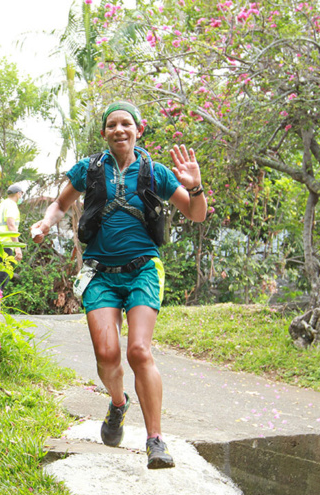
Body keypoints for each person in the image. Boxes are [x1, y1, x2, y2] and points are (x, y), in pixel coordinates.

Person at [31, 101, 208, 469]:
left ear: (138, 130)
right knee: (107, 355)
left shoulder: (155, 173)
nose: (119, 130)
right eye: (112, 125)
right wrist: (45, 225)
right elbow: (60, 205)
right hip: (98, 273)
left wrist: (195, 188)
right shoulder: (89, 170)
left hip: (143, 269)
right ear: (104, 133)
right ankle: (117, 403)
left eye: (126, 124)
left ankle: (155, 441)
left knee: (139, 351)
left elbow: (195, 214)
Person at [0, 182, 26, 289]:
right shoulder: (11, 205)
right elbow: (11, 225)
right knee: (0, 280)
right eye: (21, 195)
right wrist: (17, 249)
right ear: (18, 194)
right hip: (4, 246)